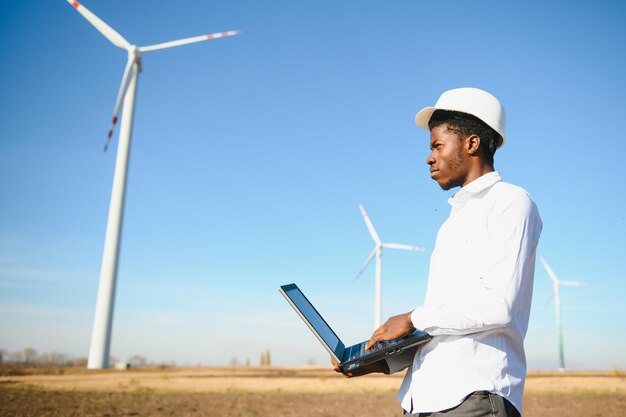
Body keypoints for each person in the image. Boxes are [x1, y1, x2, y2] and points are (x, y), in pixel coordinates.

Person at [333, 87, 542, 417]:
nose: (429, 157)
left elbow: (498, 306)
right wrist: (378, 362)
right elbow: (445, 326)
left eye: (437, 146)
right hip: (425, 400)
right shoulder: (451, 222)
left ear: (471, 143)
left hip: (473, 399)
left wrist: (412, 317)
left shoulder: (511, 202)